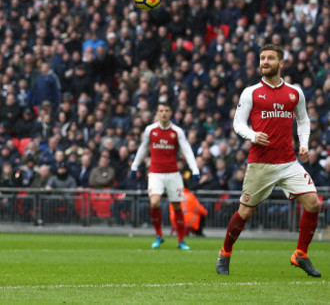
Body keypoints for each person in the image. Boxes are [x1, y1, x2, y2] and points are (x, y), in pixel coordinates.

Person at [216, 44, 322, 278]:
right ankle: (225, 252)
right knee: (244, 214)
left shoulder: (295, 93)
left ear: (281, 63)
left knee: (314, 204)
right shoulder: (251, 92)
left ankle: (300, 255)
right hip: (260, 164)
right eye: (262, 58)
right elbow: (238, 124)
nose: (264, 62)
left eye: (270, 58)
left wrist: (303, 144)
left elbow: (303, 121)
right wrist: (253, 135)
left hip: (288, 162)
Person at [130, 100, 200, 250]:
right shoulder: (150, 130)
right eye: (161, 110)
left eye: (166, 110)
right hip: (155, 173)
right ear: (157, 113)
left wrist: (195, 170)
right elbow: (143, 148)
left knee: (176, 206)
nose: (163, 113)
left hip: (173, 174)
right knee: (154, 202)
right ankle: (159, 235)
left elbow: (186, 150)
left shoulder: (177, 131)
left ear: (171, 113)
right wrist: (134, 166)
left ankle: (181, 240)